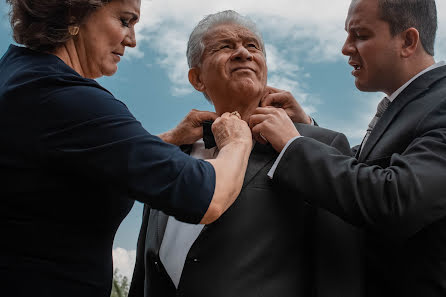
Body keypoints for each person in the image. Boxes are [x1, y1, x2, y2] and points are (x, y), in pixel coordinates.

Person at [0, 1, 253, 296]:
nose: (132, 40)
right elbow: (206, 196)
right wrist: (237, 140)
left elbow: (76, 160)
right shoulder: (62, 96)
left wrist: (169, 138)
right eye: (124, 21)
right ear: (74, 12)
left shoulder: (20, 77)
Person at [129, 10, 362, 297]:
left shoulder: (317, 146)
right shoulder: (168, 158)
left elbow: (340, 274)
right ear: (197, 78)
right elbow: (144, 276)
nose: (243, 53)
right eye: (225, 46)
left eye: (252, 46)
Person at [250, 0, 446, 296]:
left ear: (407, 41)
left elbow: (397, 199)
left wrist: (293, 145)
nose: (345, 48)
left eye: (361, 35)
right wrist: (306, 126)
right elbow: (365, 167)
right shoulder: (409, 105)